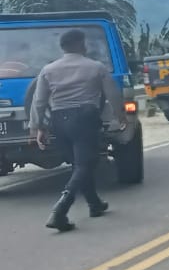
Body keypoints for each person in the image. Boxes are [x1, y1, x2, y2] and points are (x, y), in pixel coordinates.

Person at [30, 29, 125, 232]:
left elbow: (39, 102)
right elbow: (113, 95)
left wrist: (39, 128)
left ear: (62, 47)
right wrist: (121, 117)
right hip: (84, 118)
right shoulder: (95, 67)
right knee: (84, 163)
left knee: (79, 164)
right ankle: (61, 209)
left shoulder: (48, 70)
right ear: (81, 44)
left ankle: (94, 204)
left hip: (59, 120)